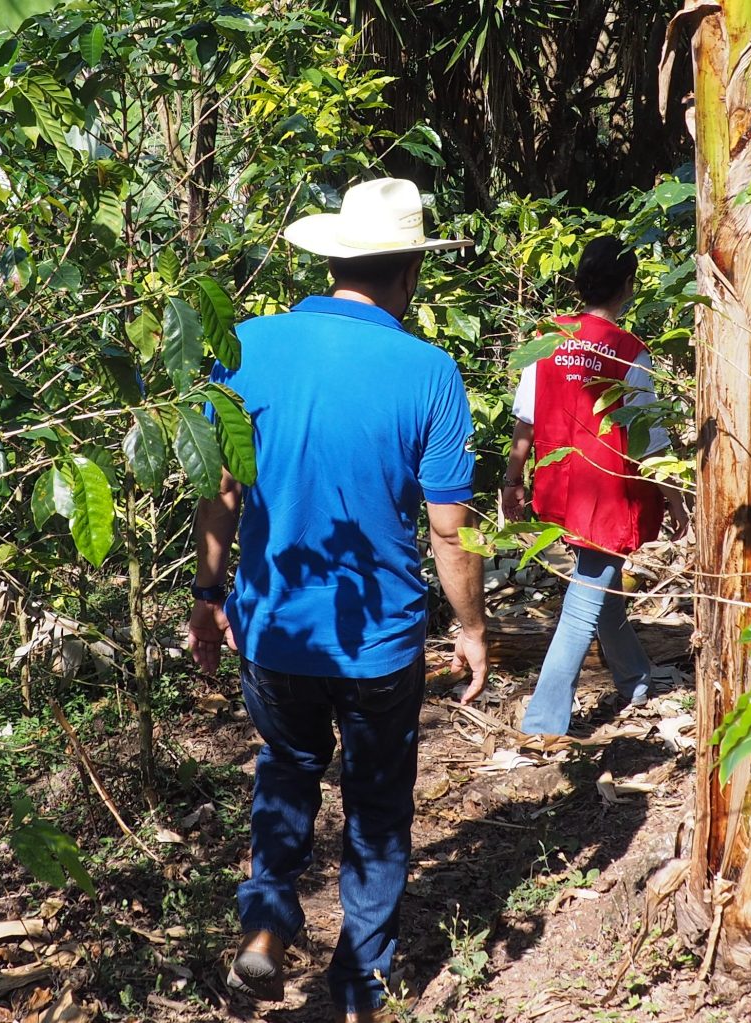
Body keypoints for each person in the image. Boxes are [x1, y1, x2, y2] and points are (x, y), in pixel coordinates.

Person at [187, 177, 489, 1023]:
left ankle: (266, 925)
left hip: (274, 627)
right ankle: (357, 988)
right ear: (410, 274)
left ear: (333, 259)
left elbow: (220, 494)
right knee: (379, 798)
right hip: (380, 641)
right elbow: (449, 531)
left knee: (287, 768)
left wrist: (210, 594)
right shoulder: (430, 372)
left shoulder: (245, 348)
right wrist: (470, 629)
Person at [501, 236, 687, 737]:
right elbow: (650, 435)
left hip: (562, 485)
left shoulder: (548, 339)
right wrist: (676, 500)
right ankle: (543, 721)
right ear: (628, 286)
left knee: (596, 585)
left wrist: (512, 480)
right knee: (584, 601)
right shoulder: (630, 352)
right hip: (608, 495)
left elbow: (526, 419)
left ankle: (635, 678)